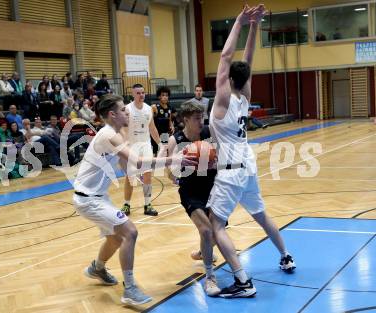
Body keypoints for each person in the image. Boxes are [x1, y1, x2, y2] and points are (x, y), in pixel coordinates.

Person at [206, 4, 295, 298]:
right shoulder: (245, 96)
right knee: (260, 213)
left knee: (216, 225)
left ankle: (243, 280)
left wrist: (241, 22)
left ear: (228, 80)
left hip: (231, 170)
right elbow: (247, 61)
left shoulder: (223, 99)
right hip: (248, 165)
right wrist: (256, 26)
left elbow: (226, 56)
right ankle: (286, 255)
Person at [74, 94, 196, 305]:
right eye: (123, 110)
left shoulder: (115, 135)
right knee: (130, 232)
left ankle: (97, 268)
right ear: (112, 114)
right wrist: (171, 160)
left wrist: (133, 172)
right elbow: (138, 162)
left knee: (115, 238)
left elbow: (126, 164)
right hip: (88, 199)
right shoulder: (107, 134)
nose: (127, 112)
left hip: (97, 197)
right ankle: (129, 289)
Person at [166, 100, 220, 296]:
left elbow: (220, 157)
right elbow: (169, 173)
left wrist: (215, 163)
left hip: (213, 188)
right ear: (186, 120)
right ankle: (210, 277)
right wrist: (180, 177)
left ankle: (201, 252)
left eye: (202, 118)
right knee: (206, 231)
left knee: (217, 232)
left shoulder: (208, 133)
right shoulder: (175, 140)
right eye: (197, 119)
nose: (201, 122)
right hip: (191, 191)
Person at [121, 84, 162, 216]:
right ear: (133, 94)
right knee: (130, 177)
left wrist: (160, 144)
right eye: (138, 93)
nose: (141, 95)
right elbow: (123, 130)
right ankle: (126, 204)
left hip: (145, 145)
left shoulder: (149, 109)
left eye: (143, 92)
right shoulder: (127, 109)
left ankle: (147, 204)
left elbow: (153, 129)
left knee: (147, 175)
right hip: (131, 145)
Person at [151, 86, 174, 154]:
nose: (165, 97)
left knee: (165, 151)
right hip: (156, 134)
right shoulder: (154, 107)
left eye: (166, 95)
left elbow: (169, 120)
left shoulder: (169, 108)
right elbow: (150, 122)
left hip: (164, 134)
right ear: (159, 97)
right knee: (155, 153)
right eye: (163, 95)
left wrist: (172, 126)